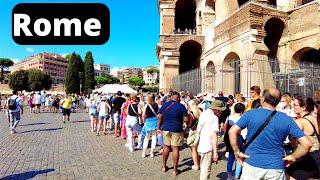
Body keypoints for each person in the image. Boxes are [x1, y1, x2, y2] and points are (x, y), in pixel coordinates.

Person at [228, 88, 312, 179]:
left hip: (252, 163)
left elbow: (232, 131)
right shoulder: (287, 119)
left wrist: (237, 152)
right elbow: (307, 144)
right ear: (278, 102)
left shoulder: (250, 114)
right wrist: (293, 157)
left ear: (263, 99)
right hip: (275, 167)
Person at [286, 96, 320, 179]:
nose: (292, 107)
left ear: (303, 108)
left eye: (295, 105)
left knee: (286, 172)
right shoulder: (313, 118)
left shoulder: (300, 122)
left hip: (308, 158)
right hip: (317, 157)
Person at [157, 91, 189, 176]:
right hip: (177, 129)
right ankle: (175, 170)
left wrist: (158, 127)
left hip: (166, 128)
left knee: (166, 147)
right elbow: (186, 120)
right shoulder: (181, 106)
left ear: (172, 97)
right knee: (175, 149)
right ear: (178, 98)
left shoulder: (165, 105)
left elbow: (159, 116)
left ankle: (164, 167)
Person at [197, 100, 225, 180]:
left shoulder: (204, 113)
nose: (221, 112)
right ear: (217, 109)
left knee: (203, 168)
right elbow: (214, 136)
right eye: (220, 110)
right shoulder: (214, 117)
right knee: (206, 170)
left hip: (201, 144)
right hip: (208, 145)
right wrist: (215, 153)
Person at [224, 103, 246, 180]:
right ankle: (236, 176)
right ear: (242, 110)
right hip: (240, 139)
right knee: (239, 158)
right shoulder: (243, 118)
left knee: (231, 158)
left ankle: (229, 176)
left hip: (230, 139)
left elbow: (225, 128)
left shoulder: (229, 117)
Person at [141, 94, 159, 158]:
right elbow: (158, 113)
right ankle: (152, 152)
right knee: (154, 138)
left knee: (146, 138)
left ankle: (144, 152)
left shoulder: (146, 106)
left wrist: (143, 122)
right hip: (155, 122)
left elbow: (143, 116)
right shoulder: (156, 105)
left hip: (148, 123)